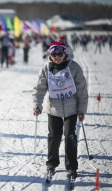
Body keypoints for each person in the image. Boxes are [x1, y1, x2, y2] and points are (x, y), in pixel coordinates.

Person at [32, 41, 88, 178]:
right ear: (50, 55)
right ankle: (51, 164)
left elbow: (82, 90)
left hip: (71, 109)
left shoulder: (74, 67)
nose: (57, 56)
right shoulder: (46, 68)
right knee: (54, 136)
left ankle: (71, 167)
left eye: (60, 54)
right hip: (54, 109)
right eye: (54, 54)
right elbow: (39, 89)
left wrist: (82, 110)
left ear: (65, 54)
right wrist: (37, 105)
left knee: (70, 136)